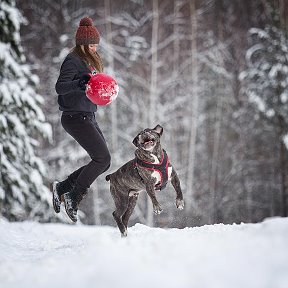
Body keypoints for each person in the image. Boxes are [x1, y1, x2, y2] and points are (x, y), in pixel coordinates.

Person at [52, 16, 111, 223]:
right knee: (102, 158)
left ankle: (63, 187)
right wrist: (78, 82)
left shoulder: (87, 60)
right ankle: (73, 197)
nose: (95, 49)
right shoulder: (73, 60)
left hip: (88, 115)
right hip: (75, 117)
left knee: (105, 162)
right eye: (92, 45)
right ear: (83, 44)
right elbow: (60, 87)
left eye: (96, 45)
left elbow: (90, 86)